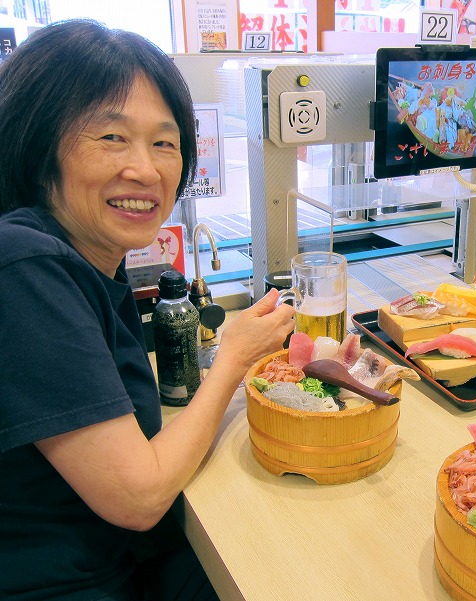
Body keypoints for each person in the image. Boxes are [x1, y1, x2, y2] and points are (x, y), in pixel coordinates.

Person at [0, 20, 296, 600]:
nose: (146, 169)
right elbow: (137, 496)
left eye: (164, 142)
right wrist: (233, 355)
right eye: (112, 138)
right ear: (39, 148)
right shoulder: (24, 265)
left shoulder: (87, 263)